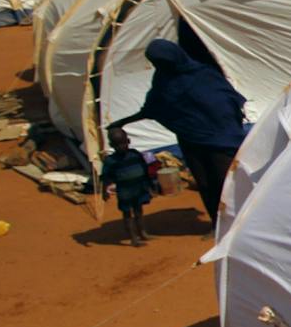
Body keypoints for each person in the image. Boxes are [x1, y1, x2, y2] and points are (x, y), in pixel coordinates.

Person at [106, 38, 247, 226]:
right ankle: (217, 223)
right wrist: (123, 121)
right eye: (155, 63)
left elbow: (228, 101)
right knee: (204, 184)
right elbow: (153, 107)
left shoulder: (204, 74)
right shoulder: (164, 79)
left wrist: (232, 123)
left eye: (161, 62)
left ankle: (239, 225)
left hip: (221, 139)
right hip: (190, 139)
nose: (159, 66)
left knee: (224, 182)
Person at [99, 128, 155, 246]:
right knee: (127, 214)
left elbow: (145, 170)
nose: (121, 146)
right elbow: (105, 176)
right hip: (125, 191)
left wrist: (150, 184)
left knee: (139, 211)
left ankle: (143, 232)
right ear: (111, 145)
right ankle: (133, 237)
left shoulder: (135, 154)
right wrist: (104, 191)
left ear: (128, 141)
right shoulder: (111, 161)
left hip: (139, 188)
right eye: (117, 144)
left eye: (123, 143)